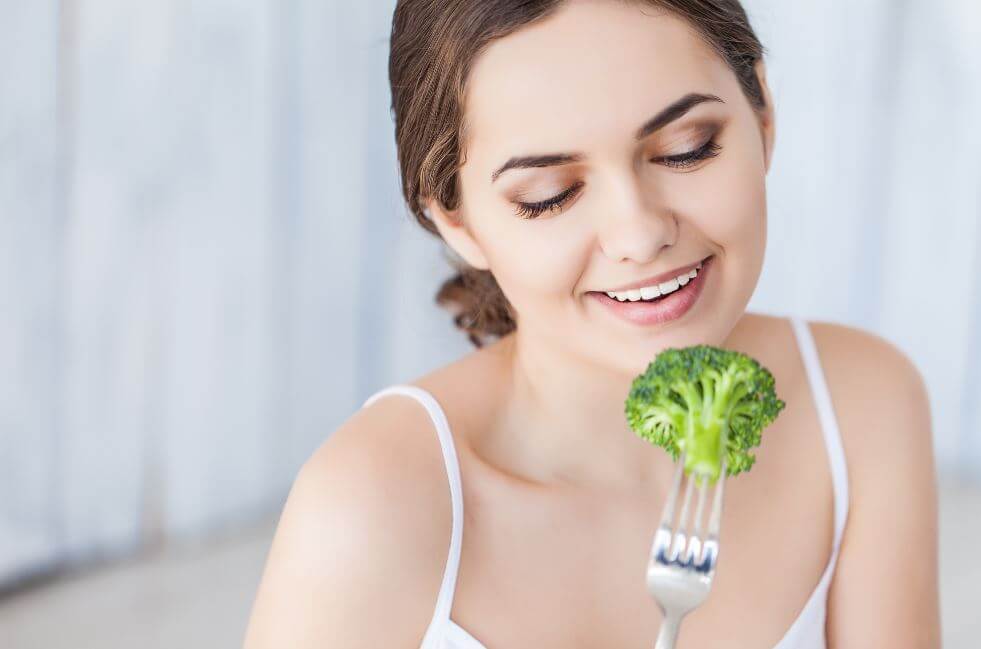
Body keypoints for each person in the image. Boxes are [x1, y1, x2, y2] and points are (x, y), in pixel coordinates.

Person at [243, 1, 940, 647]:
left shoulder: (860, 404)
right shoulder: (368, 508)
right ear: (455, 220)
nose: (637, 233)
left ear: (762, 114)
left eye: (686, 147)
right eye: (549, 195)